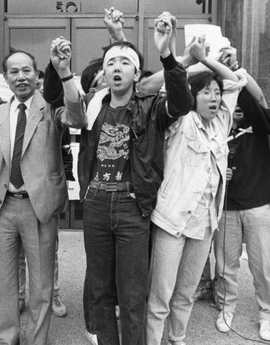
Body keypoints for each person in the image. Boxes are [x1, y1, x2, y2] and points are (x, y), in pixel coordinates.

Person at [61, 11, 192, 345]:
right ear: (103, 72)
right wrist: (63, 74)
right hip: (97, 202)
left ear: (137, 73)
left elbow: (182, 102)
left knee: (133, 293)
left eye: (125, 62)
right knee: (100, 289)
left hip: (132, 205)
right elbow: (69, 112)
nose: (116, 68)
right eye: (111, 63)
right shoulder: (92, 105)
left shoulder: (152, 106)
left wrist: (166, 52)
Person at [0, 38, 85, 345]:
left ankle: (38, 340)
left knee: (41, 286)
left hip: (38, 205)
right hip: (3, 207)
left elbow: (78, 118)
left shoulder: (51, 110)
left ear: (37, 75)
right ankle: (7, 339)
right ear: (6, 77)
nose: (20, 76)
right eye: (14, 71)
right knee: (4, 282)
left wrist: (64, 72)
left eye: (27, 70)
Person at [145, 33, 247, 345]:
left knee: (186, 292)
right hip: (172, 219)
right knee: (160, 295)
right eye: (206, 93)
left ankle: (178, 339)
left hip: (204, 222)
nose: (215, 98)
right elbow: (159, 87)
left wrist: (205, 59)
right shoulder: (182, 119)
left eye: (217, 94)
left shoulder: (221, 123)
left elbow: (235, 82)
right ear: (193, 96)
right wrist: (187, 60)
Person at [212, 68, 270, 341]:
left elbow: (257, 98)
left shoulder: (259, 126)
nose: (237, 108)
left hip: (259, 205)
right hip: (227, 207)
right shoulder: (216, 130)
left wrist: (239, 72)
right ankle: (226, 308)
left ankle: (266, 313)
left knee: (263, 265)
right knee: (225, 264)